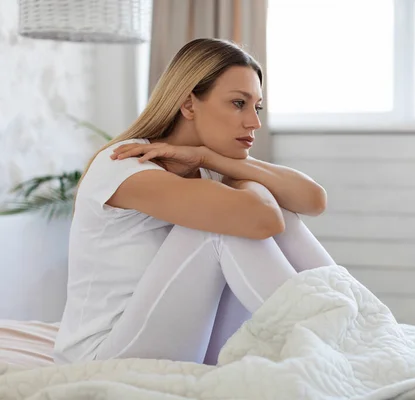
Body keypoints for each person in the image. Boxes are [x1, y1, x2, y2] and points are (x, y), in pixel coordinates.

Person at [53, 38, 336, 365]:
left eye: (256, 107)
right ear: (188, 105)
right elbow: (263, 220)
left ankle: (353, 328)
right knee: (220, 228)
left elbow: (313, 200)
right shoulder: (125, 164)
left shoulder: (206, 165)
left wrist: (212, 160)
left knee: (270, 205)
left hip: (179, 339)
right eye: (238, 103)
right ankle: (329, 341)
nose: (254, 122)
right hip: (100, 357)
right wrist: (234, 172)